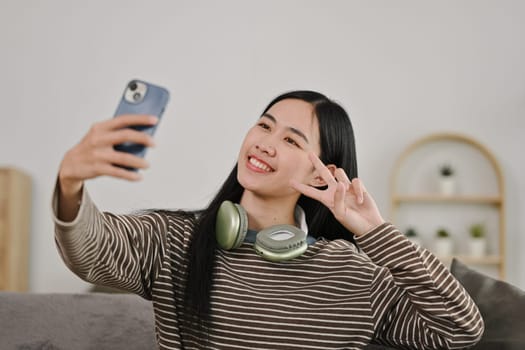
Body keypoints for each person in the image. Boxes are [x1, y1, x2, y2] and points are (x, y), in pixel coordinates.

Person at [53, 90, 483, 349]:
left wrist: (374, 232)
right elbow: (92, 251)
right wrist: (70, 181)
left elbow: (459, 330)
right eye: (264, 125)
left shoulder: (354, 274)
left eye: (291, 139)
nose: (265, 144)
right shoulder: (175, 242)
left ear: (320, 172)